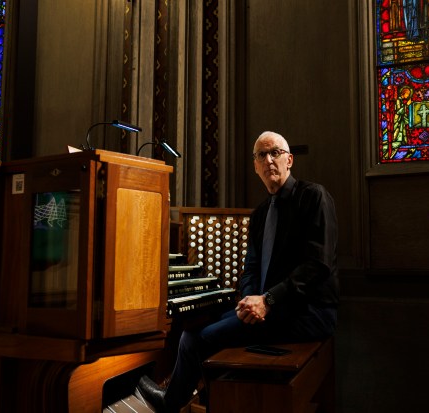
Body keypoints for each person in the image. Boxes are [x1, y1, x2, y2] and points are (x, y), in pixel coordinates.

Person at [136, 131, 339, 412]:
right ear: (255, 166)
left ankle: (175, 403)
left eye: (275, 153)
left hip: (307, 312)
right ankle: (191, 395)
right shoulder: (260, 215)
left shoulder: (314, 197)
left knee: (199, 339)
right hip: (269, 309)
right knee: (192, 327)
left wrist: (267, 301)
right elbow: (251, 269)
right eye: (261, 155)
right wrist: (248, 300)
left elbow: (318, 265)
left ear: (289, 160)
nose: (268, 160)